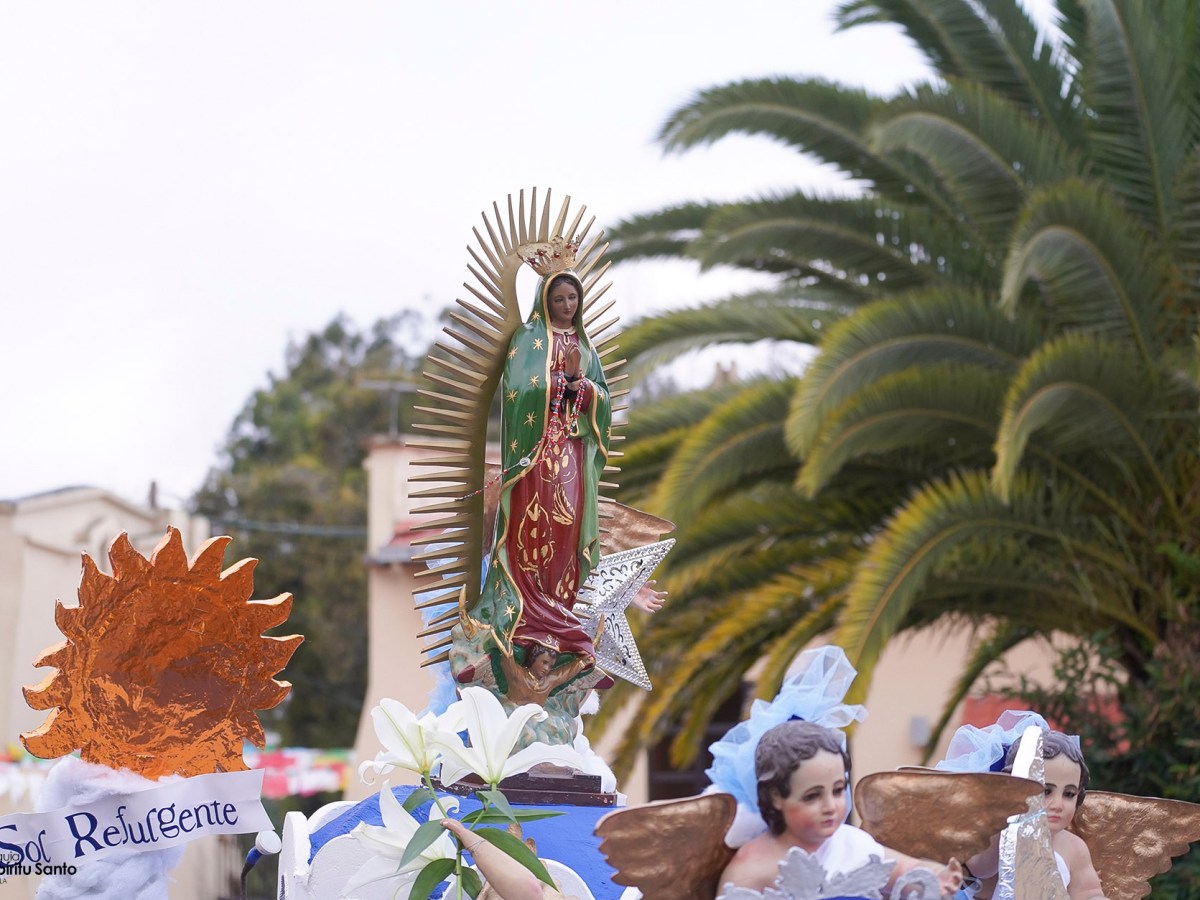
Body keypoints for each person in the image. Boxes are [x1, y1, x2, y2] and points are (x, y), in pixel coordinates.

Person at [469, 266, 611, 689]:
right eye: (559, 299)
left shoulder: (585, 347)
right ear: (545, 301)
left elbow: (601, 400)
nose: (568, 307)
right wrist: (557, 383)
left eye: (573, 299)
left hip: (571, 458)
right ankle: (523, 620)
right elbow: (518, 390)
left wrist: (579, 386)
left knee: (564, 534)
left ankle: (560, 619)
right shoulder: (527, 340)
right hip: (534, 459)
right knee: (530, 533)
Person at [716, 720, 964, 898]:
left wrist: (936, 876)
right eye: (812, 796)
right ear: (776, 796)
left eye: (837, 790)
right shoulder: (751, 868)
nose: (830, 806)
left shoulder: (852, 844)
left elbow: (905, 870)